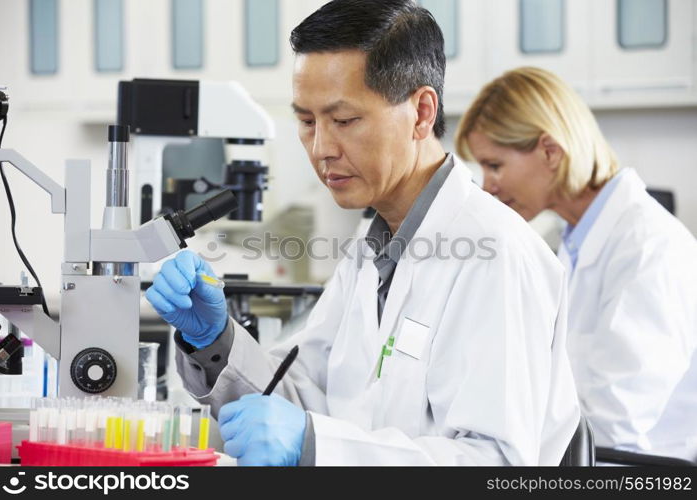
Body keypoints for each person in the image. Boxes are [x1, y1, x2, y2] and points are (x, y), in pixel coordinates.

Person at [146, 1, 579, 466]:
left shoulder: (496, 254)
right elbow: (300, 399)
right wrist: (216, 343)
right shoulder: (370, 250)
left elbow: (498, 463)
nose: (321, 148)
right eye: (307, 121)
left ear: (422, 112)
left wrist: (319, 447)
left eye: (345, 121)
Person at [455, 66, 697, 461]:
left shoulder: (649, 250)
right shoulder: (570, 240)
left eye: (495, 165)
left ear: (550, 152)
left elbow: (614, 425)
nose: (487, 186)